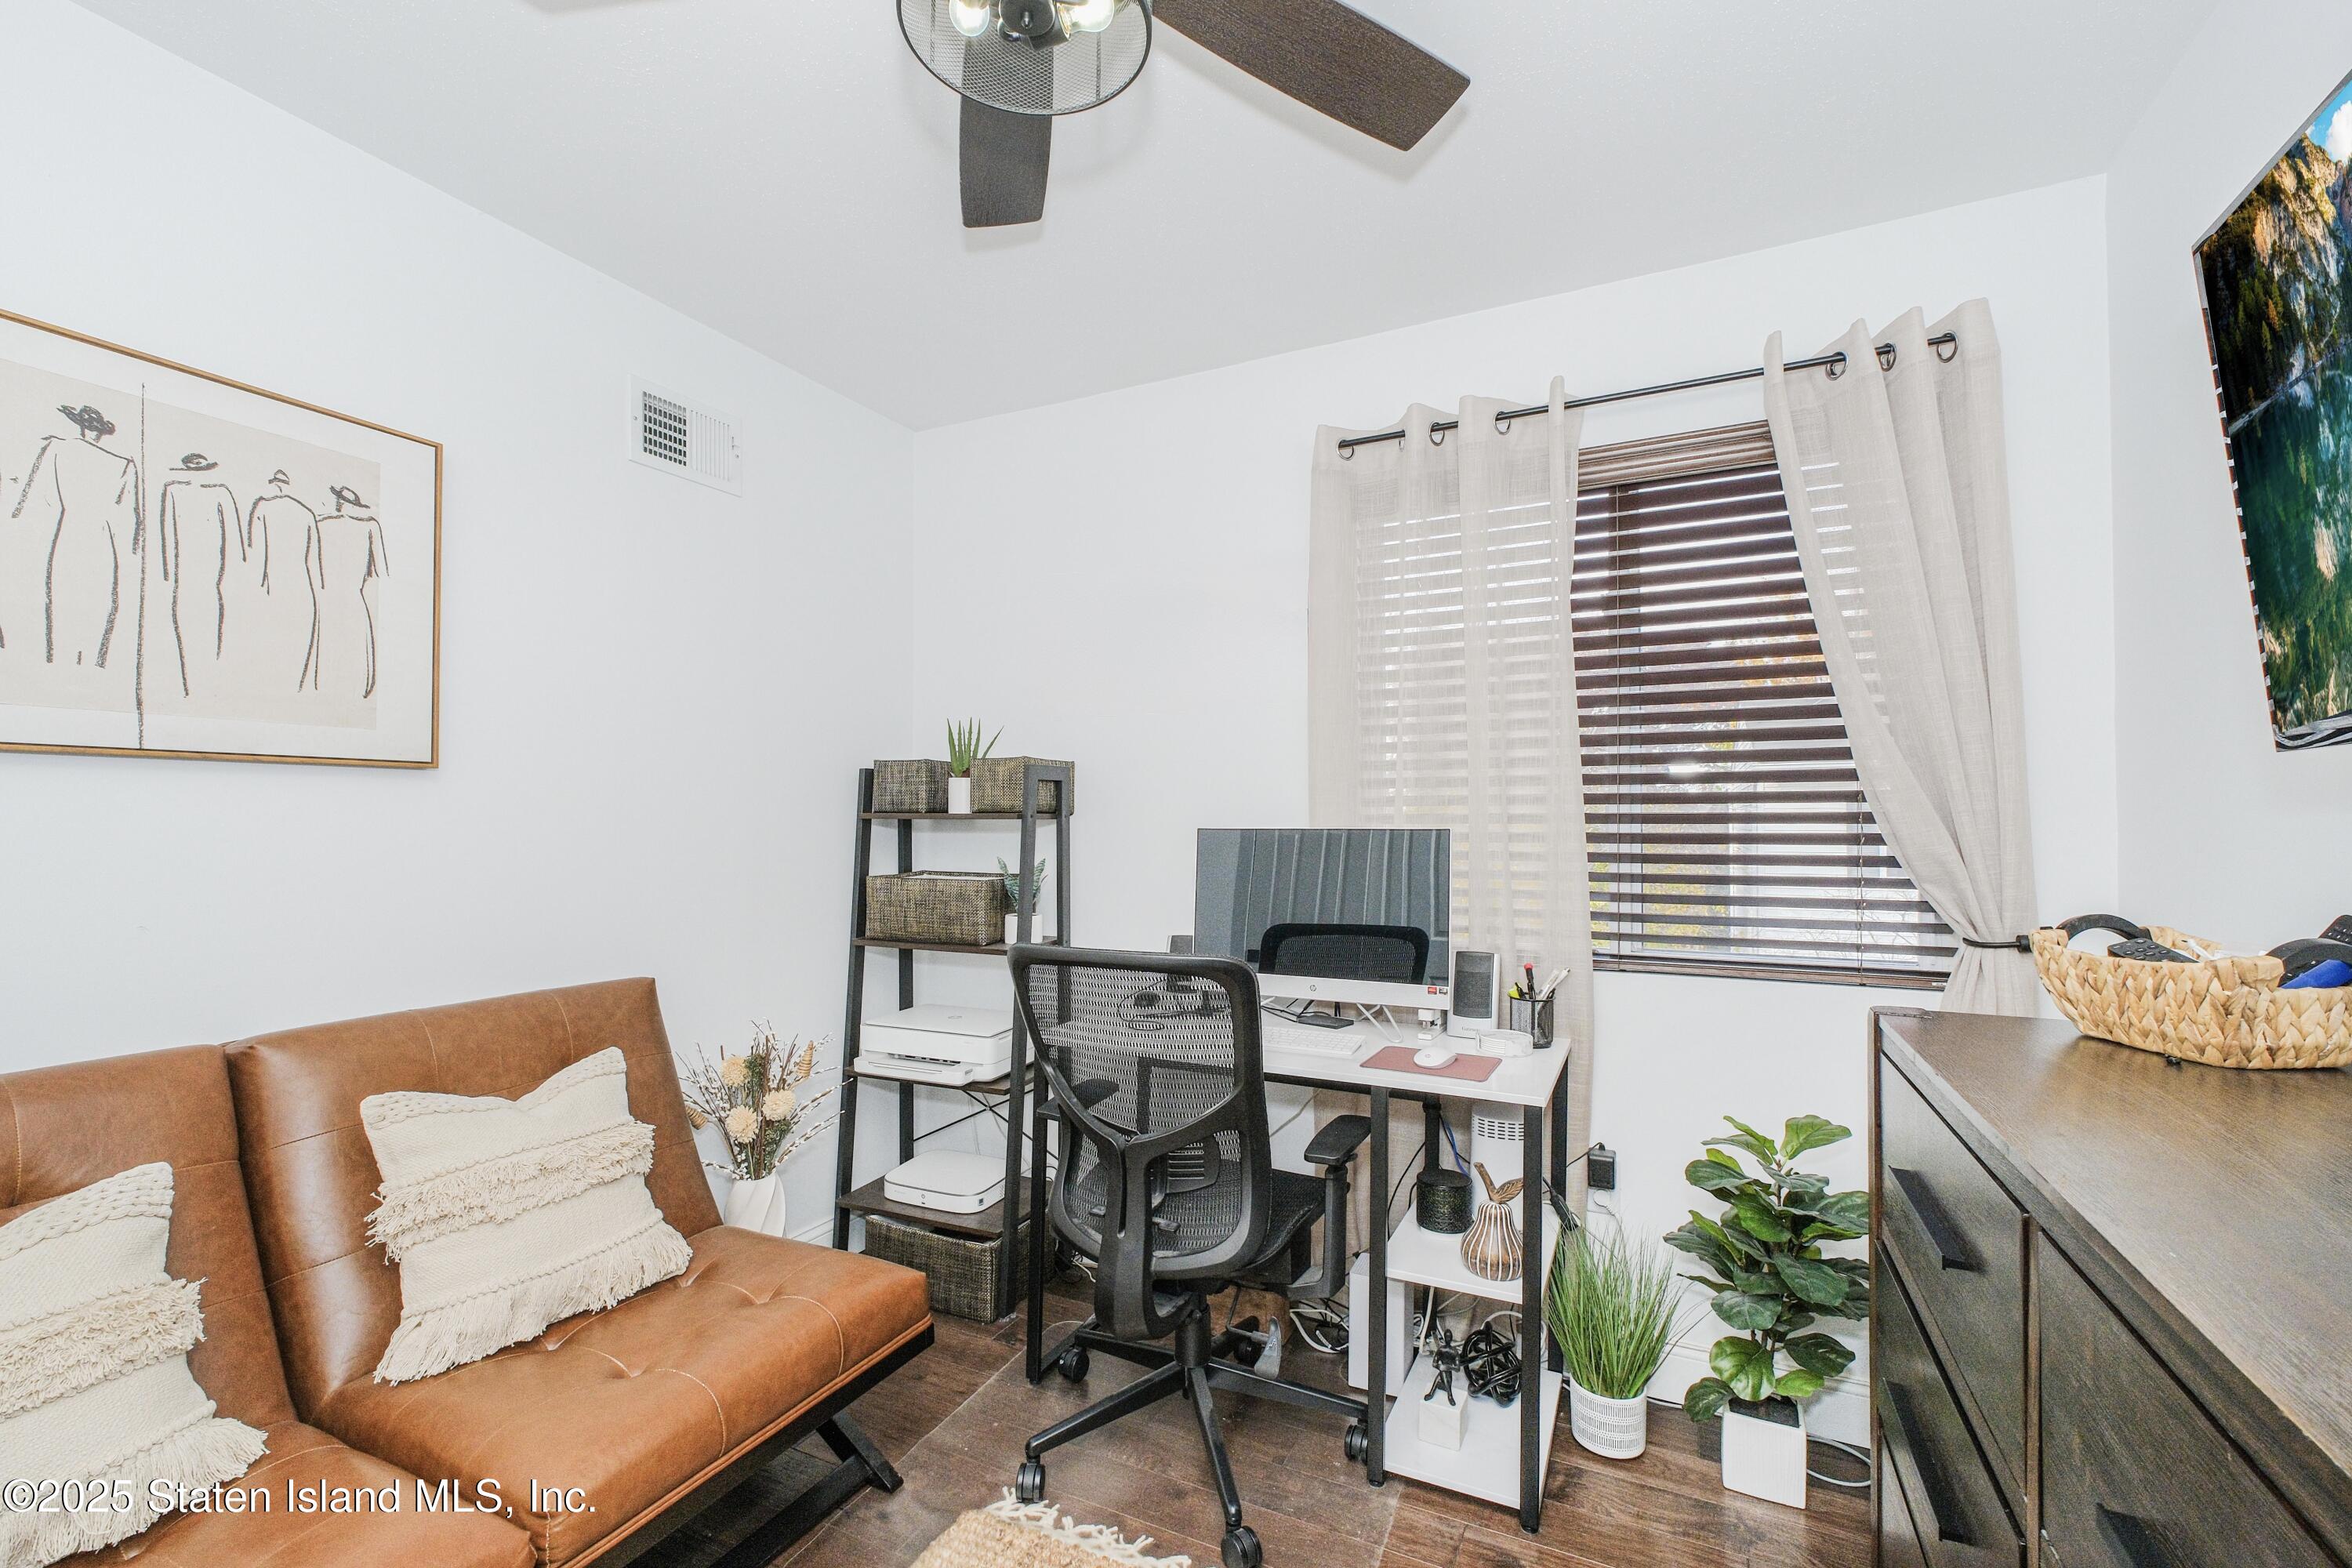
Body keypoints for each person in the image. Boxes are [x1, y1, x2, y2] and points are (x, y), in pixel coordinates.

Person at [3, 403, 140, 677]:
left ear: (79, 425)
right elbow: (131, 521)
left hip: (69, 533)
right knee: (99, 604)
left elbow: (34, 497)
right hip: (102, 539)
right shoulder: (123, 464)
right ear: (100, 432)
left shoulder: (57, 448)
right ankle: (91, 667)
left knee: (64, 601)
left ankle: (62, 665)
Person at [154, 453, 244, 700]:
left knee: (194, 626)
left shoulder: (179, 491)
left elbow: (167, 538)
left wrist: (169, 573)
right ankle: (199, 686)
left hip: (194, 577)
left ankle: (195, 685)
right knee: (204, 627)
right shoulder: (216, 493)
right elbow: (235, 541)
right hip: (203, 577)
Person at [243, 470, 321, 695]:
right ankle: (294, 688)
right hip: (302, 586)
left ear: (274, 485)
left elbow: (258, 554)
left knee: (272, 642)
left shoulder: (262, 507)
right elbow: (314, 560)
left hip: (274, 584)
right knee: (297, 641)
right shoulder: (306, 513)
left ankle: (276, 690)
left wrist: (256, 588)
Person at [310, 482, 390, 699]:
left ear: (339, 503)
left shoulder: (320, 523)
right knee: (354, 645)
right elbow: (382, 571)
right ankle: (355, 688)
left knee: (330, 646)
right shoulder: (370, 526)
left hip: (328, 596)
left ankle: (328, 689)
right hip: (354, 596)